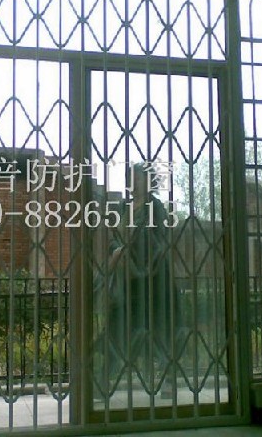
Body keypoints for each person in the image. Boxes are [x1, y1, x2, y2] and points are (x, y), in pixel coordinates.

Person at [104, 162, 179, 398]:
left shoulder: (156, 208)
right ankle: (104, 378)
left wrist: (135, 248)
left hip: (154, 279)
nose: (134, 182)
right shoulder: (123, 206)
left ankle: (169, 379)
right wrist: (117, 250)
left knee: (159, 328)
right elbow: (113, 237)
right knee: (119, 326)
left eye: (139, 178)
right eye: (132, 178)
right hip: (128, 279)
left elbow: (160, 240)